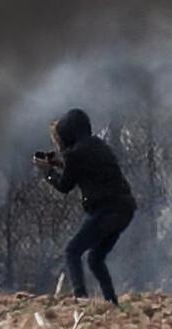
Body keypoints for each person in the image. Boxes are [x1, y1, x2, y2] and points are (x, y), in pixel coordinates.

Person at [33, 108, 136, 305]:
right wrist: (59, 164)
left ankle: (81, 299)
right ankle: (111, 303)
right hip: (125, 209)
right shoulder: (99, 145)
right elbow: (86, 169)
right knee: (95, 260)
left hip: (105, 210)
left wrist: (47, 172)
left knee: (72, 251)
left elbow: (64, 186)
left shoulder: (75, 155)